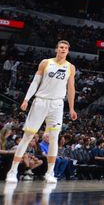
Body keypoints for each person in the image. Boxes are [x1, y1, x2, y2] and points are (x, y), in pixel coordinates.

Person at [6, 40, 77, 184]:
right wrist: (26, 99)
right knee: (28, 136)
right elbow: (35, 82)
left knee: (54, 138)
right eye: (61, 47)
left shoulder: (70, 67)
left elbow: (71, 89)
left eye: (66, 48)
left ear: (68, 51)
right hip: (40, 101)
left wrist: (71, 108)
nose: (63, 49)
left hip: (57, 104)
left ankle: (50, 173)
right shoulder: (45, 63)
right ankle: (13, 171)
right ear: (56, 49)